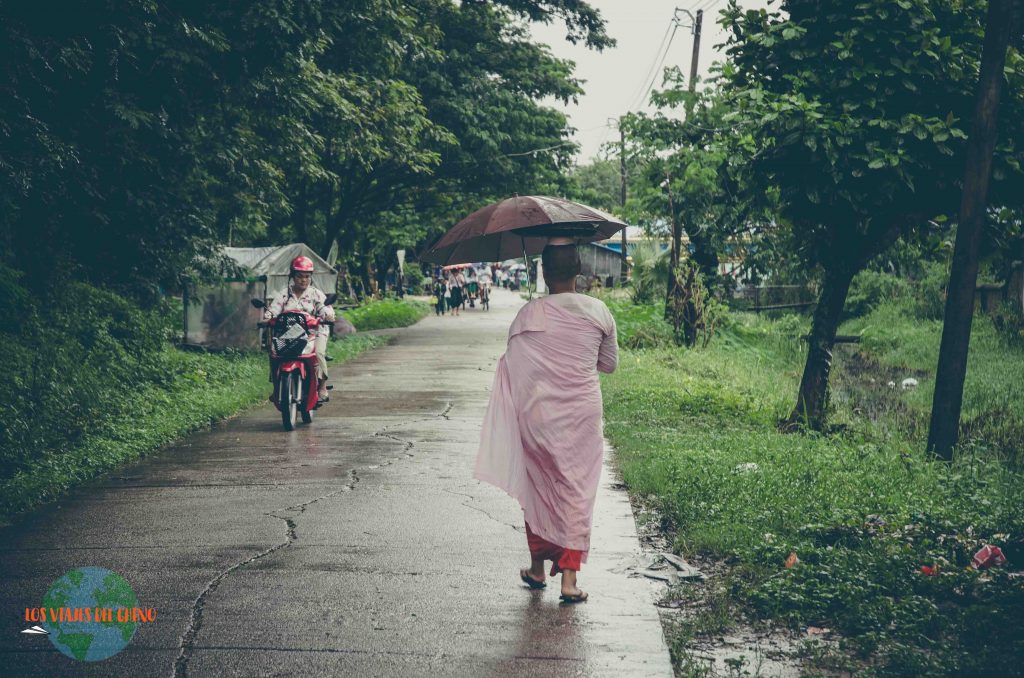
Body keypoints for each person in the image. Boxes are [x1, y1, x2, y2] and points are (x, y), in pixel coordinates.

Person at [474, 238, 618, 603]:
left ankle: (537, 568)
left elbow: (514, 364)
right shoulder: (599, 312)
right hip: (582, 416)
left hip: (537, 415)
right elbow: (608, 365)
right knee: (577, 490)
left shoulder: (528, 314)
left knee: (538, 485)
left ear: (543, 271)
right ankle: (569, 579)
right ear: (579, 270)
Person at [264, 255, 336, 402]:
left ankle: (322, 386)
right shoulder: (284, 294)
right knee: (274, 352)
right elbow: (274, 309)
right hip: (290, 333)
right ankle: (277, 387)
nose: (303, 280)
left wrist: (327, 316)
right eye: (300, 276)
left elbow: (325, 308)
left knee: (319, 353)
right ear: (293, 276)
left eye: (307, 276)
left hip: (314, 332)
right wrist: (268, 316)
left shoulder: (315, 294)